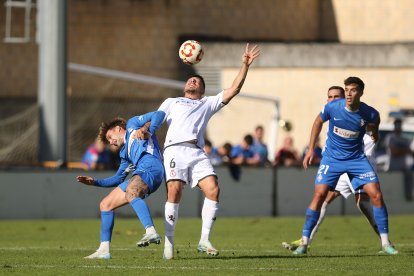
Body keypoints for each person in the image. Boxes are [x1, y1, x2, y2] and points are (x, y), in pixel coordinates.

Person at [157, 43, 260, 260]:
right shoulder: (171, 102)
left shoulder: (207, 103)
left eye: (198, 81)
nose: (193, 80)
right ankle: (169, 242)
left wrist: (245, 65)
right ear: (185, 86)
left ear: (202, 90)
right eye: (190, 79)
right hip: (174, 150)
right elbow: (156, 121)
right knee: (174, 192)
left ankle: (204, 240)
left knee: (213, 189)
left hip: (196, 151)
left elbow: (234, 89)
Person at [293, 77, 398, 255]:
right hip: (332, 159)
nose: (348, 94)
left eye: (353, 90)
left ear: (361, 93)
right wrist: (311, 149)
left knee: (376, 195)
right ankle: (304, 243)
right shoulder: (332, 107)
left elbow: (374, 125)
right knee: (319, 195)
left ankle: (386, 244)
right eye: (346, 89)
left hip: (357, 159)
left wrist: (374, 132)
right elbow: (317, 122)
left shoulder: (370, 113)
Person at [76, 111, 165, 259]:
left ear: (118, 128)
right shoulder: (124, 153)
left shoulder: (132, 124)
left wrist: (148, 129)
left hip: (152, 167)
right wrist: (95, 182)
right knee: (105, 204)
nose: (110, 142)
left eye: (110, 137)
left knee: (131, 192)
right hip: (141, 172)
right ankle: (104, 250)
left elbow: (160, 114)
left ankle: (151, 232)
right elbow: (118, 178)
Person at [384, 118, 413, 201]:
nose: (398, 127)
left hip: (403, 166)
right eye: (397, 125)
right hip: (392, 166)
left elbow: (410, 152)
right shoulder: (390, 137)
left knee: (409, 174)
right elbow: (394, 152)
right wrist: (405, 150)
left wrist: (404, 150)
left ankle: (409, 196)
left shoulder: (405, 139)